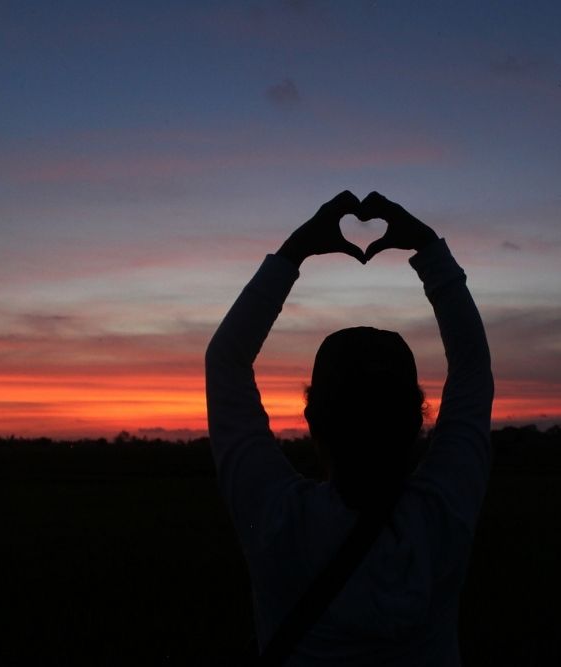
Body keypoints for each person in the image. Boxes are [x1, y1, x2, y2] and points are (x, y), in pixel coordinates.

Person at [205, 191, 494, 665]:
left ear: (312, 420)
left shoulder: (277, 522)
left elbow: (225, 362)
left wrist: (295, 251)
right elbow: (471, 366)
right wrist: (427, 248)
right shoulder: (444, 514)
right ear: (416, 422)